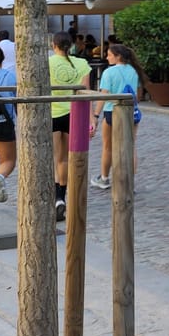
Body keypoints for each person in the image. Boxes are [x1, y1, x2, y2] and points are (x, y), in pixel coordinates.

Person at [90, 43, 147, 190]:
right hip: (130, 110)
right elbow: (138, 93)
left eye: (109, 54)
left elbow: (104, 95)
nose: (107, 57)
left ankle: (104, 178)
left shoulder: (109, 72)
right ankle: (129, 183)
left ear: (118, 56)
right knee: (131, 146)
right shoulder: (134, 71)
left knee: (108, 147)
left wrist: (96, 115)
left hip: (112, 111)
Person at [49, 32, 92, 220]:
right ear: (72, 45)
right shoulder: (82, 64)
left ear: (53, 45)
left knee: (53, 158)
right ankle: (61, 197)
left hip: (51, 112)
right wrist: (92, 118)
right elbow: (85, 93)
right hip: (72, 114)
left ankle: (53, 197)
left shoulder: (47, 63)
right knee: (65, 159)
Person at [0, 46, 15, 204]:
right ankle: (0, 177)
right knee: (8, 160)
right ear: (2, 59)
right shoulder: (10, 76)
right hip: (3, 122)